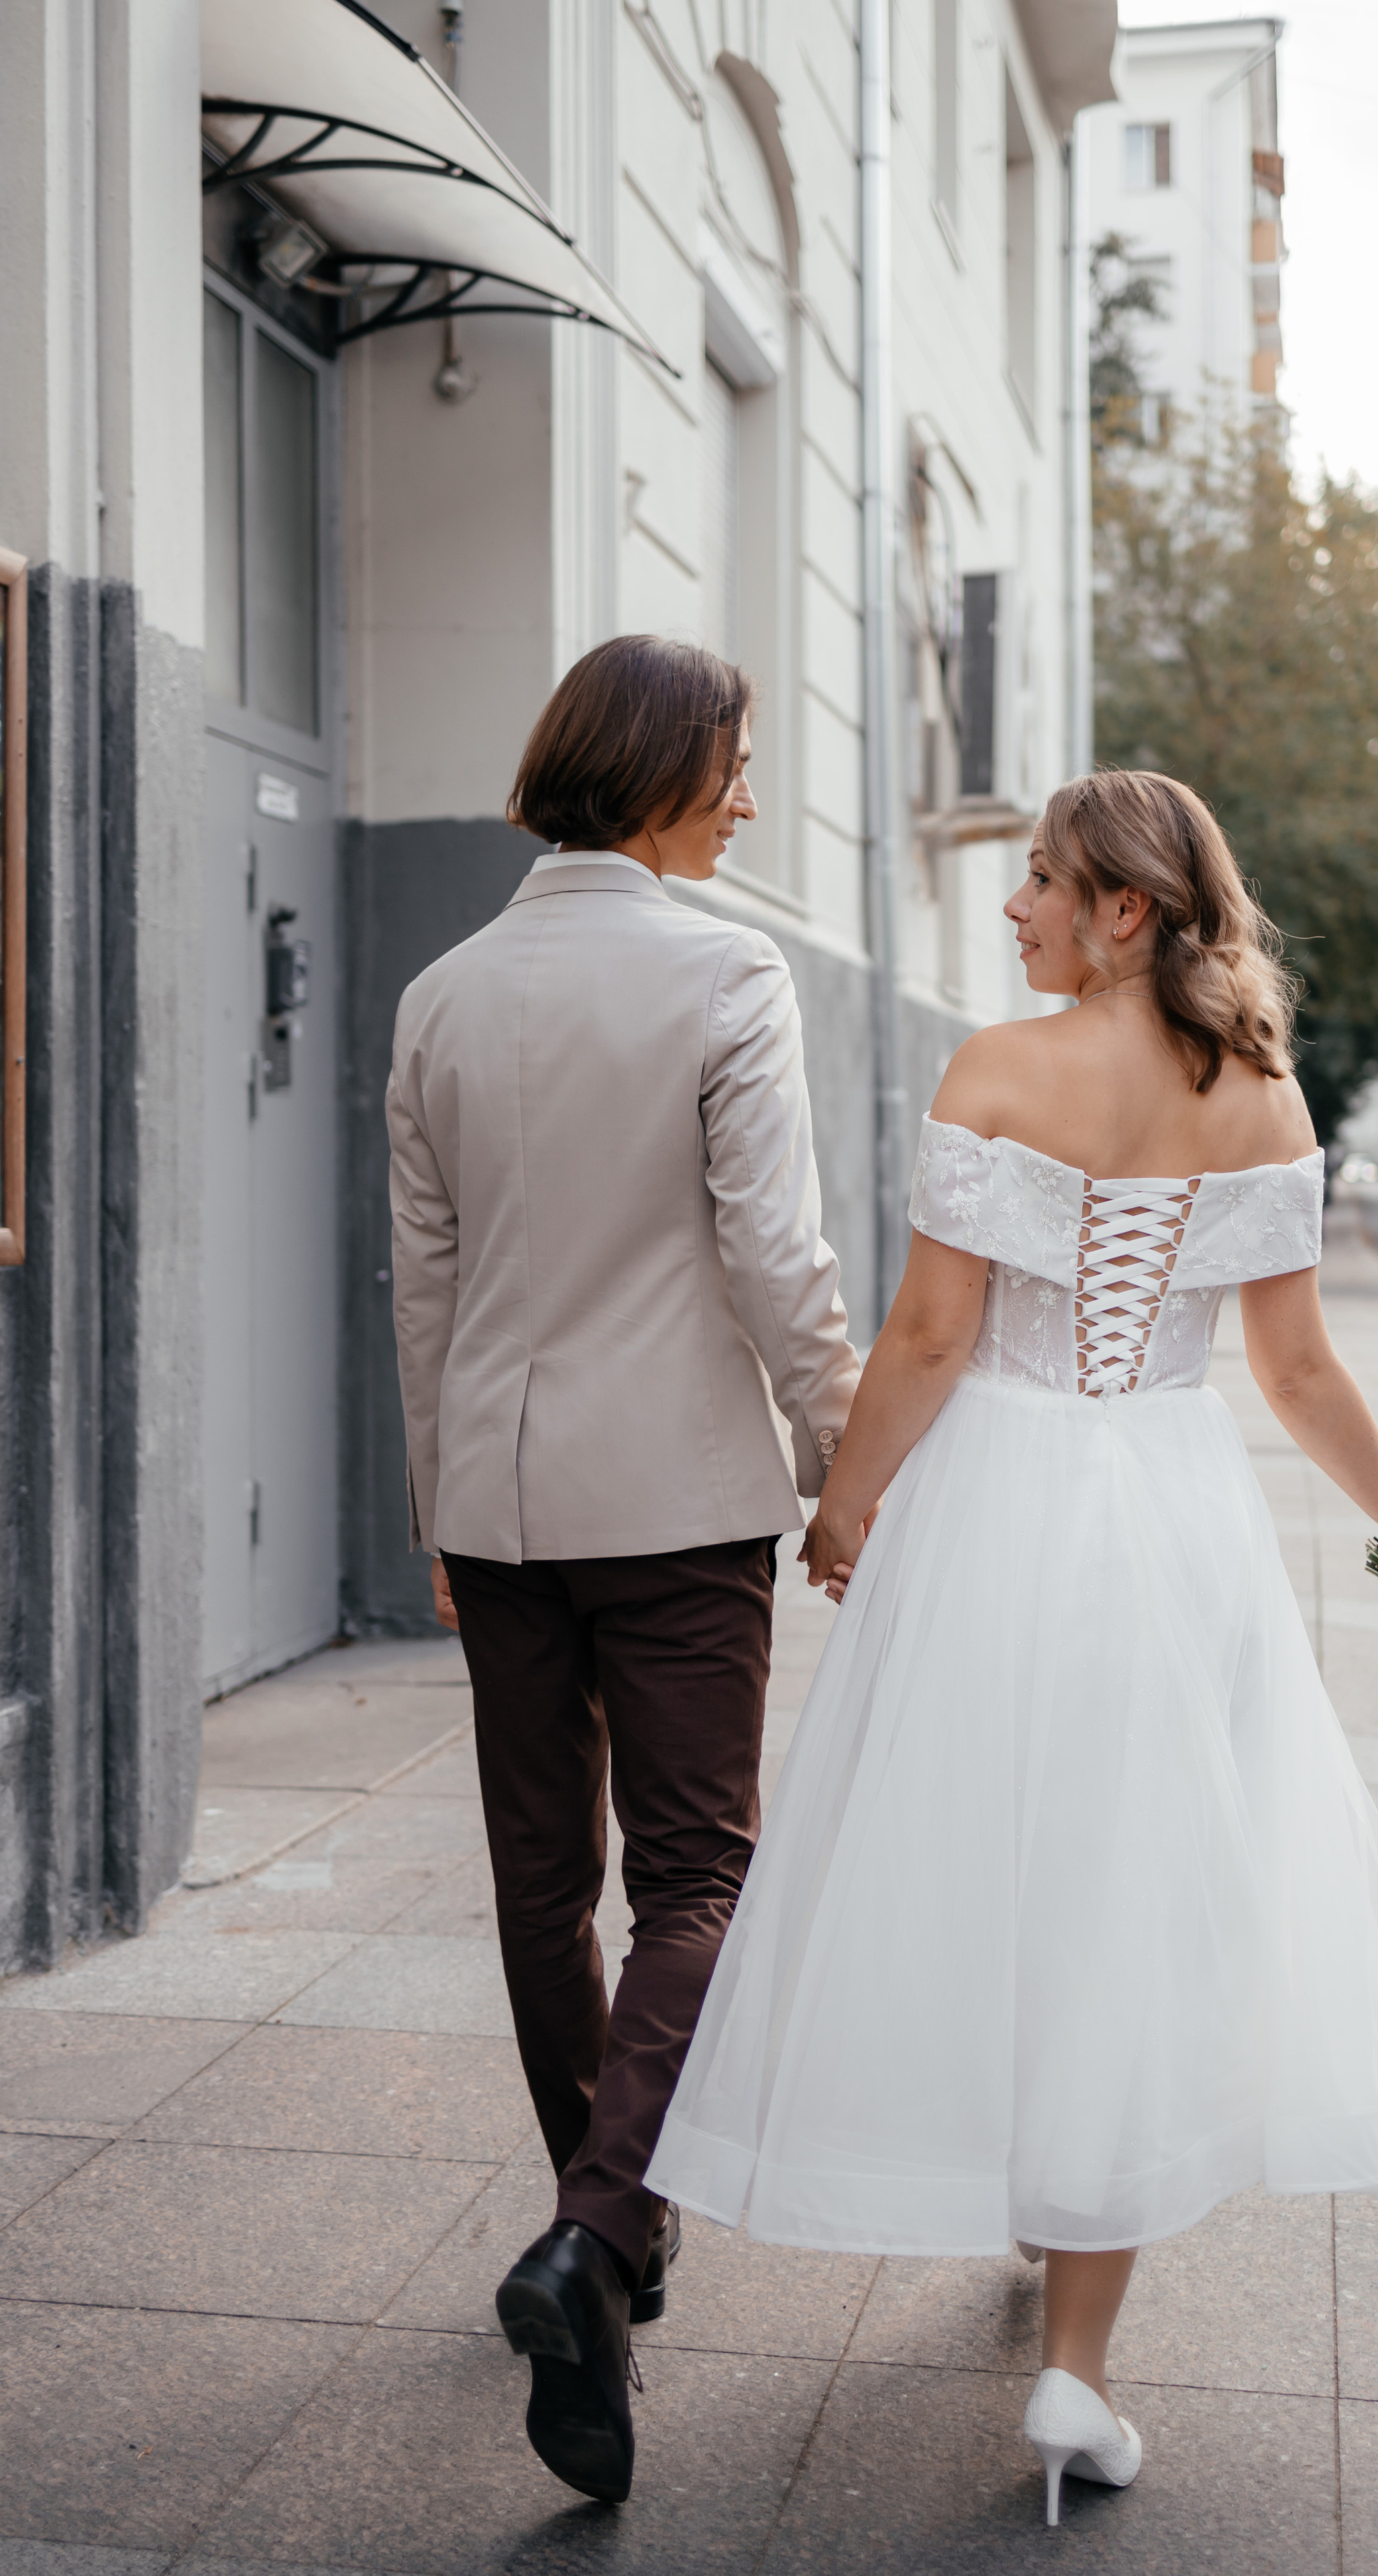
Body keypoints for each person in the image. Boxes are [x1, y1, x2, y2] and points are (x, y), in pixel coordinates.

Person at [646, 769, 1378, 2529]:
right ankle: (1077, 2365)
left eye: (1042, 883)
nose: (1018, 907)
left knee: (987, 1862)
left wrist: (847, 1503)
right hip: (1173, 1516)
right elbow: (1299, 1371)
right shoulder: (1258, 1094)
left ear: (1126, 911)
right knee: (1134, 1899)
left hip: (1004, 1508)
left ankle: (1033, 2221)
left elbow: (937, 1332)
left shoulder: (1001, 1073)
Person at [386, 635, 860, 2505]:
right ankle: (595, 2240)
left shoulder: (440, 991)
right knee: (698, 1878)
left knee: (537, 1884)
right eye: (735, 764)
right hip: (674, 1510)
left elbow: (421, 1281)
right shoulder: (726, 972)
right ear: (661, 768)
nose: (747, 799)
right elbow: (773, 1258)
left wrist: (438, 1502)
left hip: (501, 1512)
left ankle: (603, 2244)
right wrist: (845, 1458)